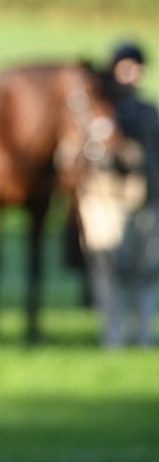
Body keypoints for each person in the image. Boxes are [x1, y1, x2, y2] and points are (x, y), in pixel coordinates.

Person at [78, 42, 159, 347]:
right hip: (104, 197)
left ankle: (144, 333)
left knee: (146, 268)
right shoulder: (96, 110)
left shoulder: (149, 111)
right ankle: (113, 333)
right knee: (108, 266)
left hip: (147, 197)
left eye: (136, 66)